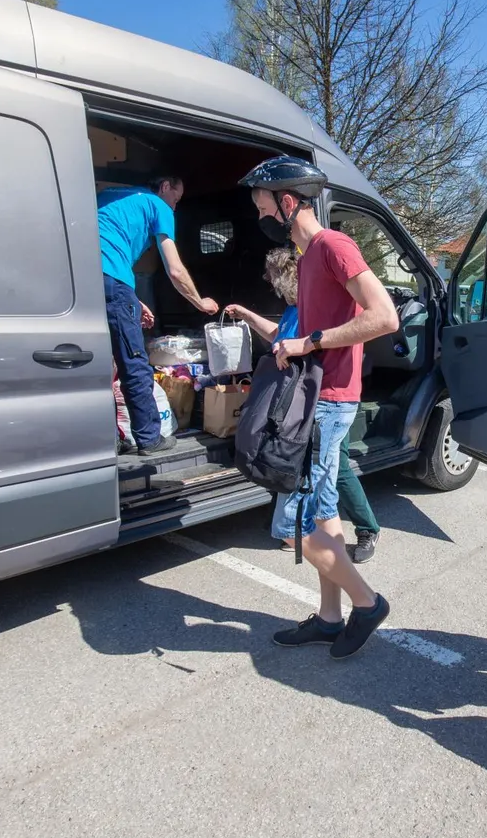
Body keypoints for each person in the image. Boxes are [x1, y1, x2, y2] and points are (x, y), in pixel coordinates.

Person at [238, 156, 398, 658]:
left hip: (328, 404)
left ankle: (367, 604)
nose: (259, 215)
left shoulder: (333, 246)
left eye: (263, 205)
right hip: (314, 401)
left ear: (288, 202)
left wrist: (309, 342)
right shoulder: (306, 258)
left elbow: (385, 316)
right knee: (323, 513)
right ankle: (331, 619)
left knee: (290, 527)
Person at [227, 248, 384, 563]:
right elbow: (280, 335)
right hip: (310, 403)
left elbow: (306, 344)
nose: (268, 285)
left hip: (323, 401)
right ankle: (330, 537)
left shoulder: (315, 310)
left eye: (272, 280)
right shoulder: (294, 310)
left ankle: (354, 533)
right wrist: (247, 315)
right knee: (329, 474)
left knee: (324, 472)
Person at [97, 176, 217, 455]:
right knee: (133, 361)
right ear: (165, 187)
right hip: (114, 281)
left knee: (104, 364)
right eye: (176, 198)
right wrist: (200, 302)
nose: (175, 207)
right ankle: (150, 437)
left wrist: (134, 302)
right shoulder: (156, 205)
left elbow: (102, 263)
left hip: (85, 279)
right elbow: (174, 270)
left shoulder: (112, 196)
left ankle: (112, 437)